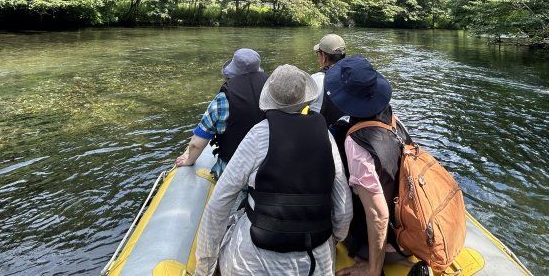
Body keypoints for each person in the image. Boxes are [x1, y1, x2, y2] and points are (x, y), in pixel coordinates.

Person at [195, 65, 353, 276]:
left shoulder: (259, 135)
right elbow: (344, 211)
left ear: (269, 99)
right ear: (306, 100)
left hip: (255, 261)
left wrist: (204, 268)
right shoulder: (326, 136)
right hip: (315, 261)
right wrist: (331, 239)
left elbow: (219, 203)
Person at [323, 55, 411, 276]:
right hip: (406, 230)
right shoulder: (392, 118)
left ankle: (372, 264)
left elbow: (378, 215)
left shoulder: (356, 142)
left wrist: (372, 270)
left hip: (388, 245)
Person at [175, 48, 267, 179]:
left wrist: (189, 160)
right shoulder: (272, 91)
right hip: (268, 167)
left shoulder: (223, 99)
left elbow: (197, 143)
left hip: (234, 169)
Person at [309, 33, 347, 114]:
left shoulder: (315, 80)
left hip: (324, 125)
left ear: (323, 56)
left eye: (318, 53)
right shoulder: (354, 75)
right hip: (350, 124)